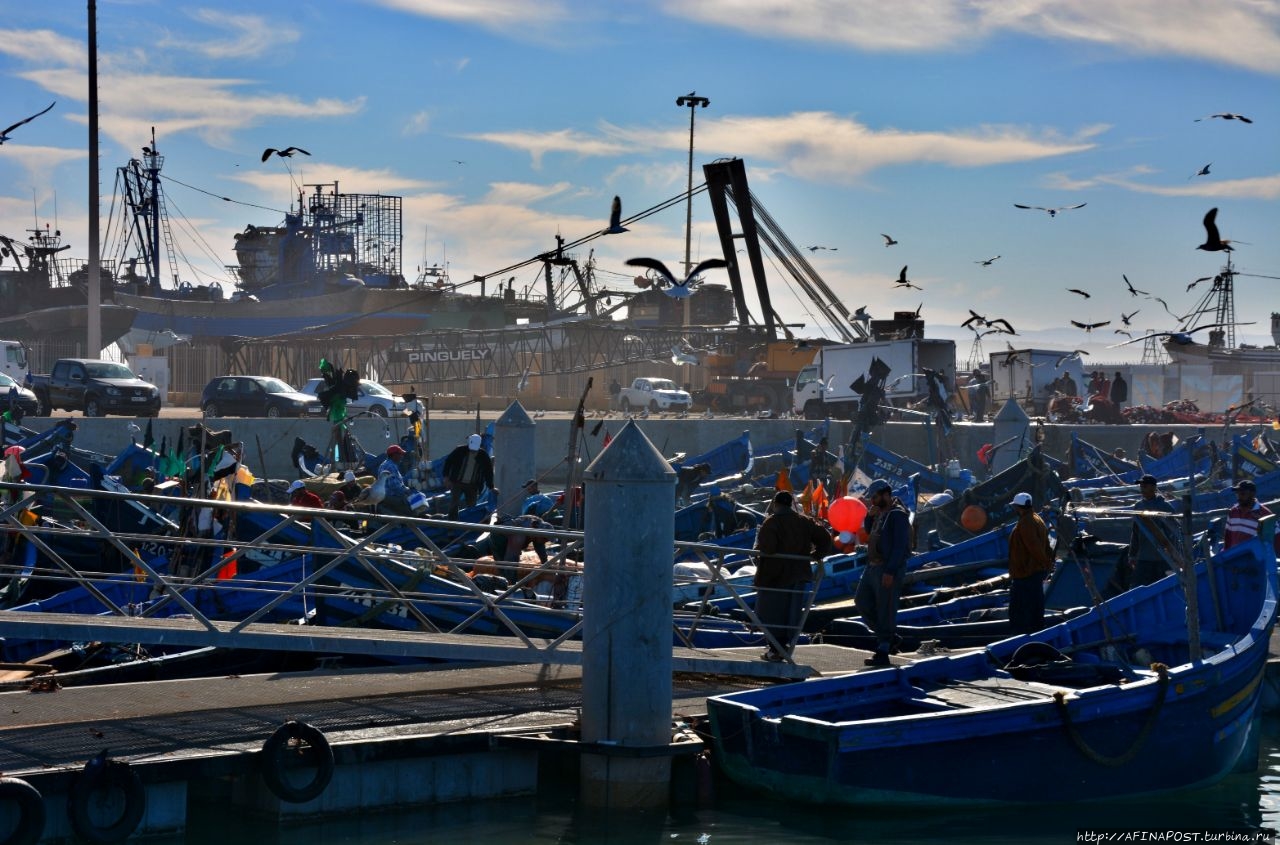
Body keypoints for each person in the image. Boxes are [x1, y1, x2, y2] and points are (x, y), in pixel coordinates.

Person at [752, 489, 832, 661]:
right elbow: (825, 538)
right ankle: (782, 648)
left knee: (768, 613)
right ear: (790, 504)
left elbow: (769, 548)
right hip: (799, 575)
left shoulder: (771, 522)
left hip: (774, 577)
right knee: (791, 614)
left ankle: (775, 650)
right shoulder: (804, 521)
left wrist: (757, 551)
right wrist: (815, 555)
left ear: (775, 504)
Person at [856, 478, 911, 666]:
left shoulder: (898, 515)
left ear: (886, 494)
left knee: (885, 608)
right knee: (861, 601)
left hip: (886, 568)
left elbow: (899, 546)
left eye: (876, 496)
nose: (873, 500)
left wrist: (890, 570)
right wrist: (869, 517)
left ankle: (883, 648)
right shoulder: (879, 513)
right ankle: (887, 637)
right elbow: (870, 532)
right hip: (872, 566)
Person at [1007, 492, 1054, 634]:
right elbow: (1046, 545)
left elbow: (1034, 547)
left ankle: (1023, 635)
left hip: (1026, 573)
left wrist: (1045, 563)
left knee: (1019, 610)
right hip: (1033, 572)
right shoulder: (1037, 518)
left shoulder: (1026, 523)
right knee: (1035, 604)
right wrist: (1047, 563)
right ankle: (1036, 630)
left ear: (1018, 507)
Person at [1128, 474, 1175, 585]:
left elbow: (1174, 533)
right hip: (1144, 558)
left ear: (1153, 488)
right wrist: (1132, 555)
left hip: (1162, 559)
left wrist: (1174, 556)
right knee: (1137, 587)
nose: (1142, 489)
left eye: (1144, 486)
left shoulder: (1165, 507)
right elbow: (1135, 533)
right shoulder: (1138, 506)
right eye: (1141, 486)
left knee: (1164, 586)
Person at [442, 433, 495, 520]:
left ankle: (469, 525)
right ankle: (451, 525)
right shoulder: (459, 450)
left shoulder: (483, 455)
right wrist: (446, 477)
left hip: (472, 485)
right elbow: (448, 462)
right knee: (454, 504)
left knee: (471, 507)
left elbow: (488, 472)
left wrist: (491, 487)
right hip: (457, 483)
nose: (473, 451)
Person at [1224, 478, 1277, 551]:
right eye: (1237, 493)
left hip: (1254, 561)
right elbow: (1228, 538)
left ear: (1253, 494)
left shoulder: (1265, 514)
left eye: (1242, 493)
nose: (1239, 496)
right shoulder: (1233, 512)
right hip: (1234, 560)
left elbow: (1277, 540)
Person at [376, 444, 415, 516]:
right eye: (400, 454)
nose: (402, 457)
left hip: (384, 495)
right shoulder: (391, 466)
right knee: (411, 509)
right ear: (394, 455)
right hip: (390, 496)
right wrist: (407, 491)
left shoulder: (383, 464)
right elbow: (394, 486)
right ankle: (410, 524)